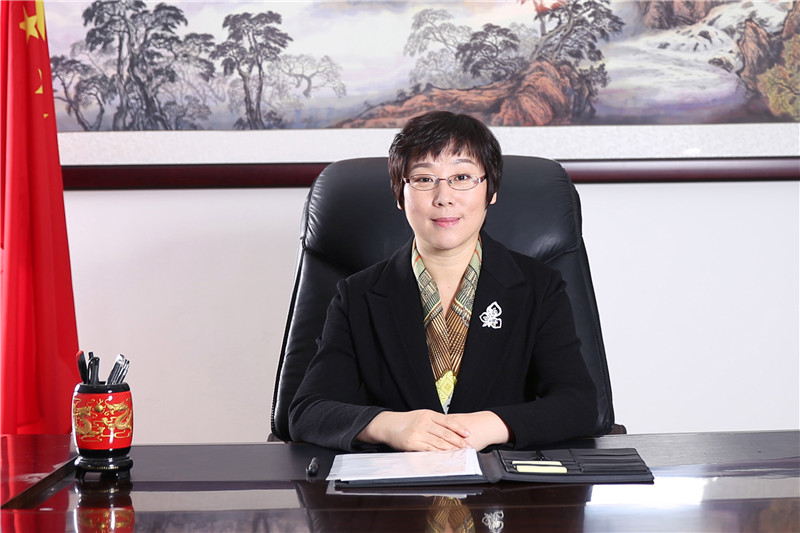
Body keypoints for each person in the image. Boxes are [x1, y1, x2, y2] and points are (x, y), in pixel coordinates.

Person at [289, 110, 597, 452]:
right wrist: (390, 426)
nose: (444, 197)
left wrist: (491, 425)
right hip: (397, 479)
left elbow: (579, 404)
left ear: (491, 190)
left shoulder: (539, 287)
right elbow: (308, 411)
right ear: (399, 194)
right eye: (424, 179)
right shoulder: (358, 296)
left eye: (462, 177)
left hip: (502, 478)